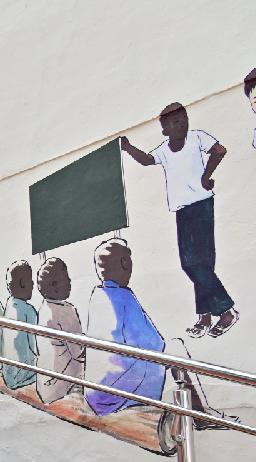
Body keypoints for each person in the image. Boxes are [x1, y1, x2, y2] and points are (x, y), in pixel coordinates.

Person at [84, 238, 229, 428]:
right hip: (116, 394)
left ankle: (199, 414)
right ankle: (200, 415)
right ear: (124, 263)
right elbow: (153, 343)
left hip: (96, 395)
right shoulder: (123, 296)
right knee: (175, 349)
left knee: (167, 353)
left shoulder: (97, 294)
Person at [121, 104, 237, 338]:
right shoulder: (164, 150)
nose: (181, 123)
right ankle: (205, 316)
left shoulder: (197, 138)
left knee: (199, 262)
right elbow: (146, 160)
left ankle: (225, 311)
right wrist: (128, 148)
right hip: (183, 211)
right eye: (174, 122)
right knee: (194, 264)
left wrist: (206, 177)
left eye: (183, 118)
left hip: (202, 205)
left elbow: (220, 150)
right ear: (164, 129)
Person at [34, 258, 85, 405]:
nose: (70, 281)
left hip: (44, 386)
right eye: (66, 278)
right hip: (62, 388)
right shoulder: (66, 311)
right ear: (54, 285)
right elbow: (79, 353)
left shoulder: (44, 309)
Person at [2, 260, 39, 391]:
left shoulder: (9, 305)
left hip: (9, 375)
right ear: (23, 283)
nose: (33, 284)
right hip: (23, 376)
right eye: (31, 280)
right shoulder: (29, 311)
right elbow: (36, 346)